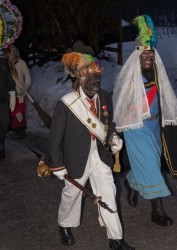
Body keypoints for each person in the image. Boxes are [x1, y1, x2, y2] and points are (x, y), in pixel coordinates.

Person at [113, 15, 177, 226]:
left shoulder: (159, 75)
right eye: (145, 54)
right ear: (138, 56)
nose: (148, 58)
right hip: (135, 127)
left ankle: (132, 182)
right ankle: (157, 211)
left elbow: (165, 100)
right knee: (151, 166)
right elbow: (122, 104)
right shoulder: (130, 77)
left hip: (154, 126)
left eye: (151, 54)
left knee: (148, 164)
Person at [49, 52, 135, 250]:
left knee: (108, 192)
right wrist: (58, 165)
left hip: (100, 156)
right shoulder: (66, 104)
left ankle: (116, 239)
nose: (96, 80)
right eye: (91, 77)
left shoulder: (105, 96)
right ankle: (64, 225)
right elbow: (55, 139)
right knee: (72, 194)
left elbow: (108, 124)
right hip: (75, 158)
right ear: (80, 77)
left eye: (98, 77)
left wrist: (113, 137)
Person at [0, 50, 16, 159]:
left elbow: (8, 79)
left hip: (2, 97)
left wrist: (12, 96)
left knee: (6, 123)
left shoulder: (1, 61)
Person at [4, 45, 31, 139]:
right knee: (12, 111)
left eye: (9, 53)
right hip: (10, 93)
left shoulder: (21, 63)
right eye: (7, 53)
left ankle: (20, 130)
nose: (8, 55)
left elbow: (27, 76)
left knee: (19, 112)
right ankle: (12, 128)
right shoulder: (6, 65)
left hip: (20, 92)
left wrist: (25, 87)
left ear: (14, 52)